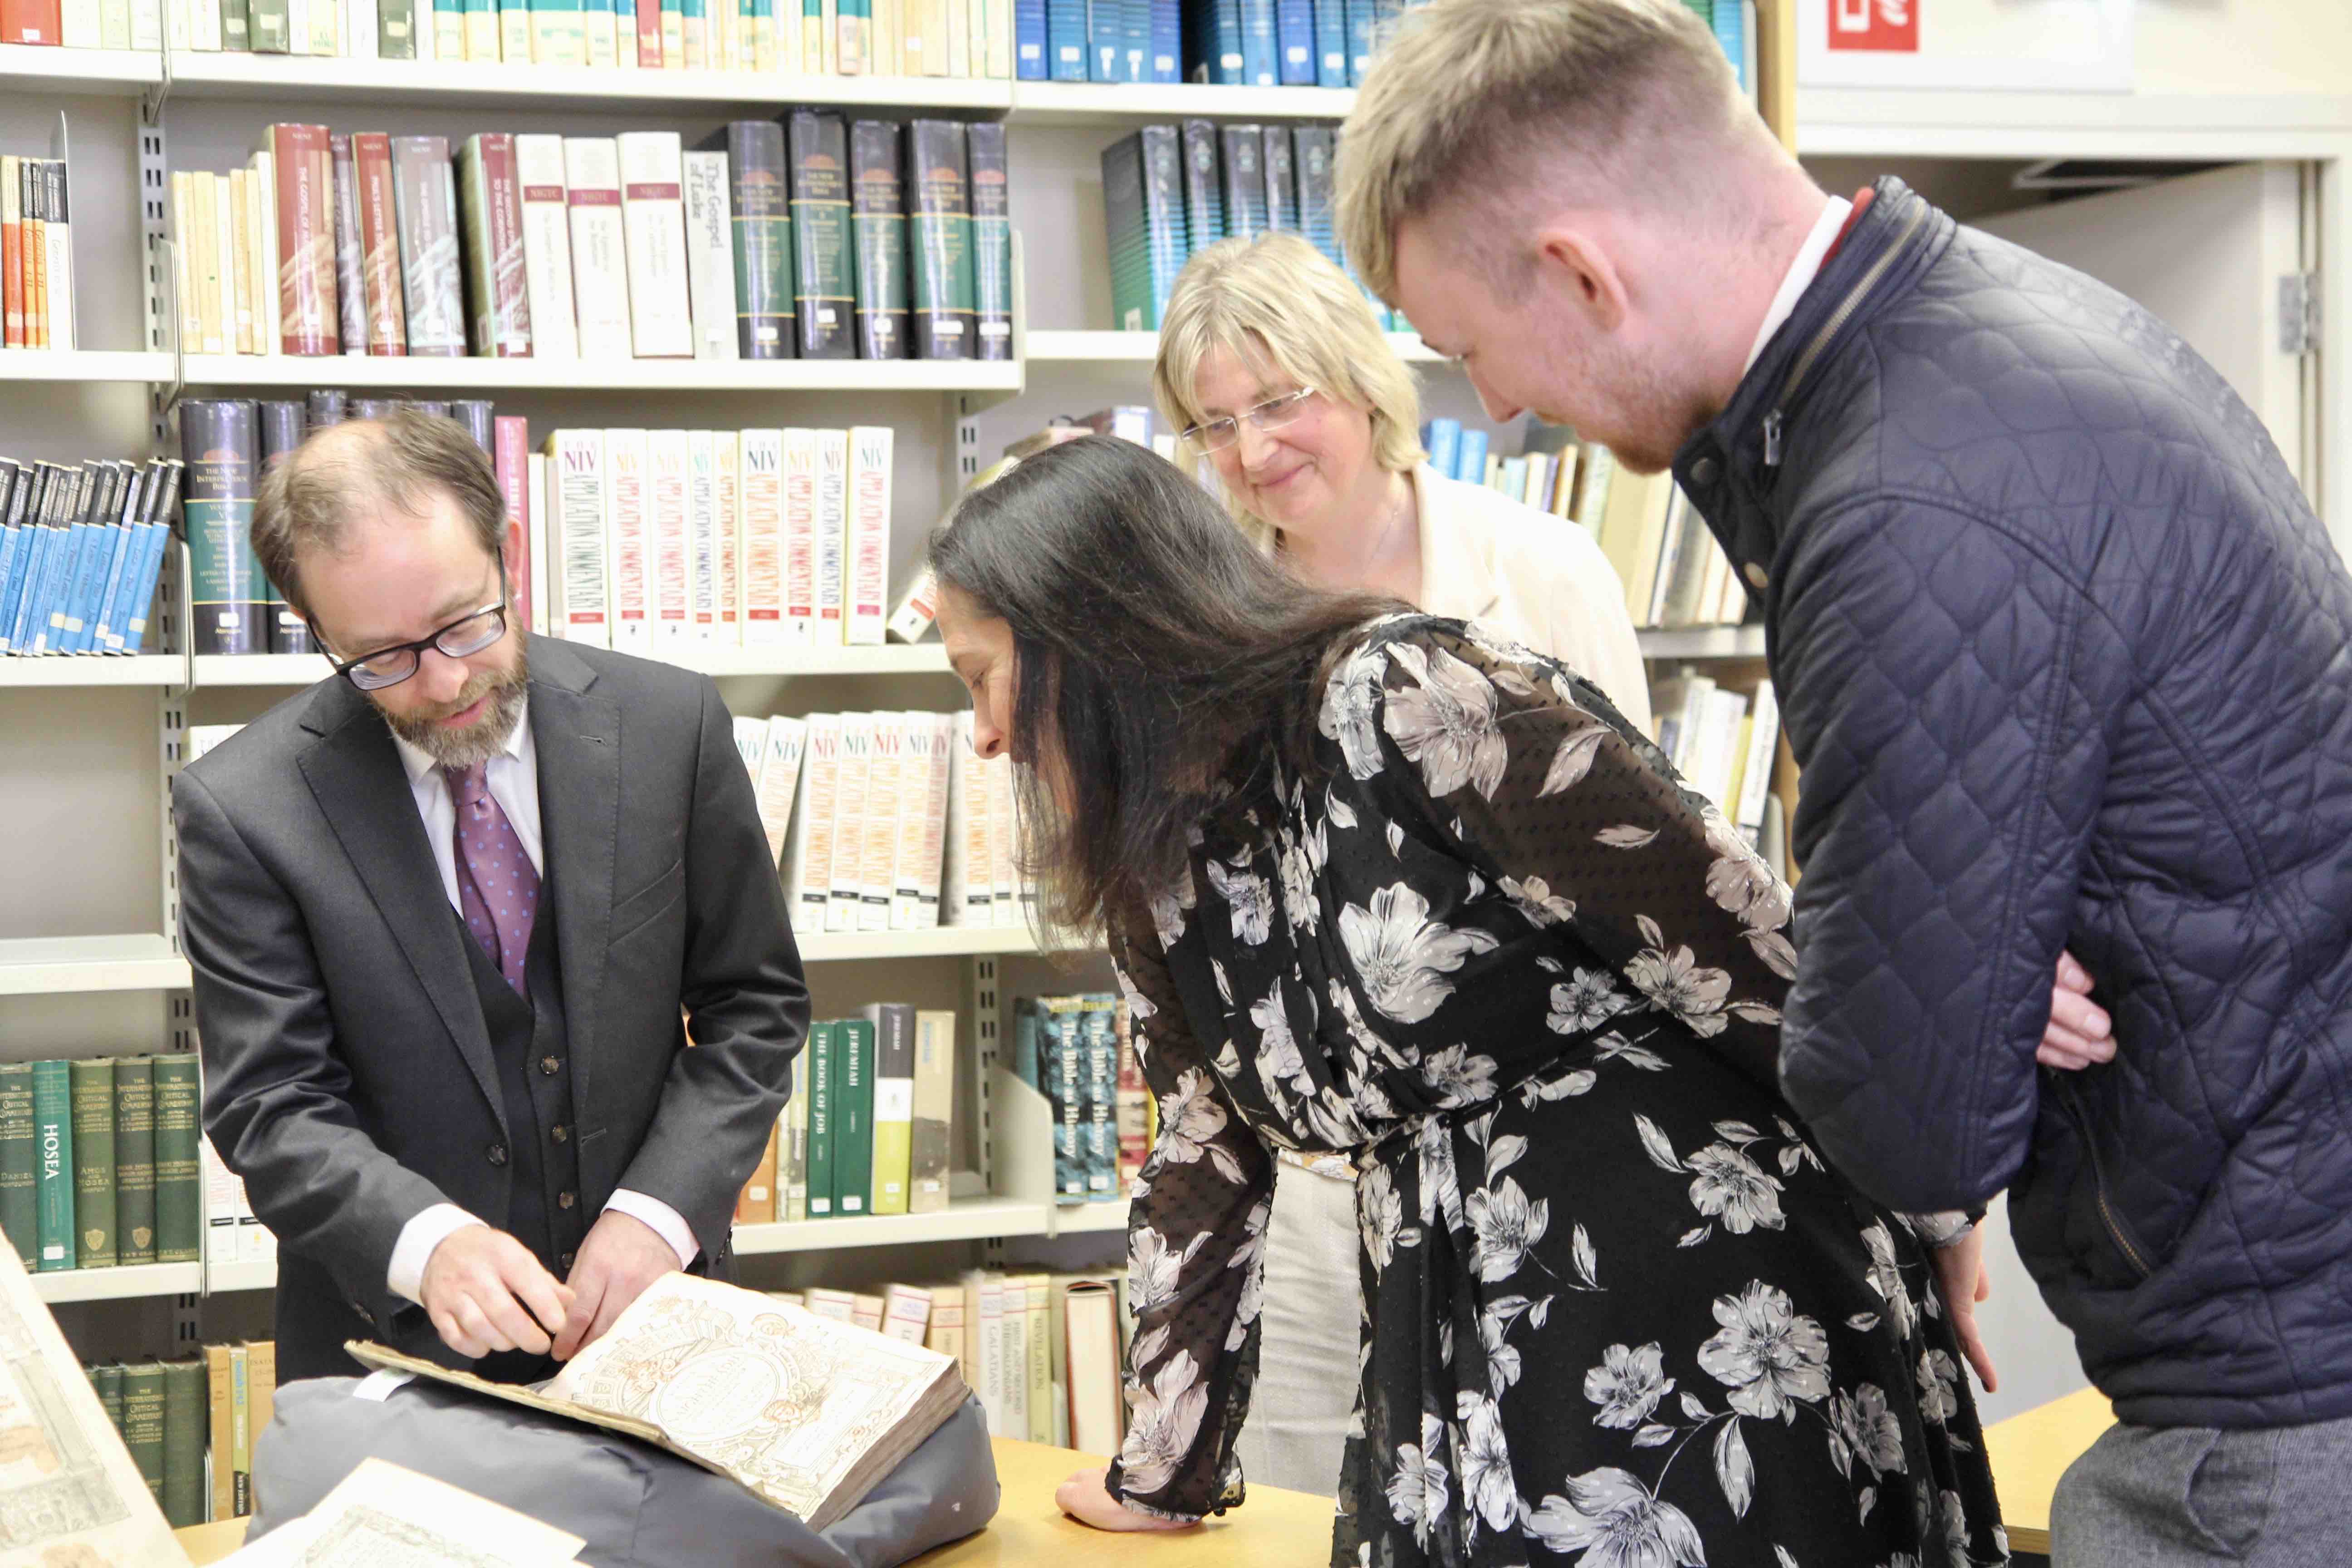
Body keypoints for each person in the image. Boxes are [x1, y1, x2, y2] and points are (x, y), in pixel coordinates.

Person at [1336, 1, 2352, 1561]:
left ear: (1582, 272)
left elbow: (1908, 1113)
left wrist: (1939, 989)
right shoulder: (1991, 343)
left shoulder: (1902, 501)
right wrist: (1951, 967)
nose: (1496, 410)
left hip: (2276, 1402)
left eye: (1473, 349)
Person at [932, 433, 2006, 1566]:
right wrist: (1165, 1469)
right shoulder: (1155, 860)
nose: (986, 732)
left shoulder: (1403, 696)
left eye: (981, 676)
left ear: (1090, 636)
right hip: (1446, 1318)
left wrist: (1930, 1192)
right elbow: (1204, 1157)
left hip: (1693, 1274)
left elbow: (1729, 928)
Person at [1151, 228, 1649, 1500]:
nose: (1255, 452)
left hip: (1551, 1153)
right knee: (1315, 1506)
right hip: (1320, 1179)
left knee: (1549, 1489)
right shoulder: (1205, 633)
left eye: (1281, 401)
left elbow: (1647, 875)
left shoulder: (1540, 572)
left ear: (1363, 383)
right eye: (1216, 425)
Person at [176, 411, 808, 1384]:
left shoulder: (669, 726)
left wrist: (658, 1214)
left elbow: (754, 1009)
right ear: (318, 631)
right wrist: (424, 1244)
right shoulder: (242, 808)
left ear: (507, 552)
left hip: (664, 1323)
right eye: (381, 657)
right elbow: (271, 1105)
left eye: (466, 620)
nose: (447, 679)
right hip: (387, 1357)